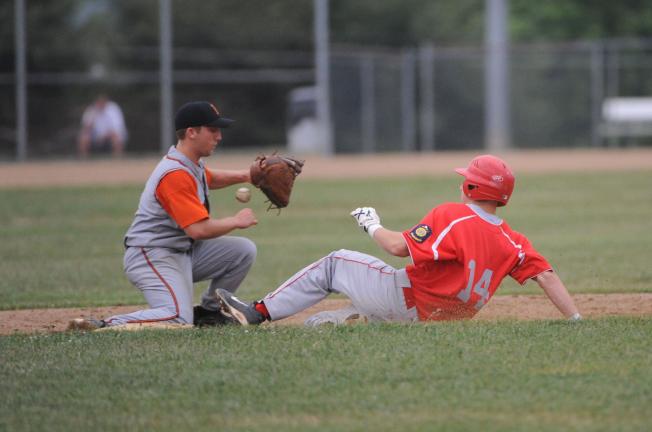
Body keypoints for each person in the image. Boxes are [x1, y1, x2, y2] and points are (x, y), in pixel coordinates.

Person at [215, 154, 582, 326]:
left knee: (336, 262)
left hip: (409, 301)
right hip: (444, 320)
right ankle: (352, 321)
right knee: (347, 310)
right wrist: (575, 319)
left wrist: (370, 223)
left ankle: (256, 312)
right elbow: (547, 276)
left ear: (472, 186)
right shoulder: (512, 240)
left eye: (466, 177)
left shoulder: (453, 214)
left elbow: (396, 247)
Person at [69, 101, 258, 330]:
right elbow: (198, 230)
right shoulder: (175, 174)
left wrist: (248, 175)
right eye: (212, 130)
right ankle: (100, 324)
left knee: (243, 251)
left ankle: (209, 312)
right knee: (177, 317)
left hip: (181, 251)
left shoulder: (189, 163)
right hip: (152, 254)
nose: (219, 136)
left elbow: (210, 178)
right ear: (191, 132)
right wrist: (236, 221)